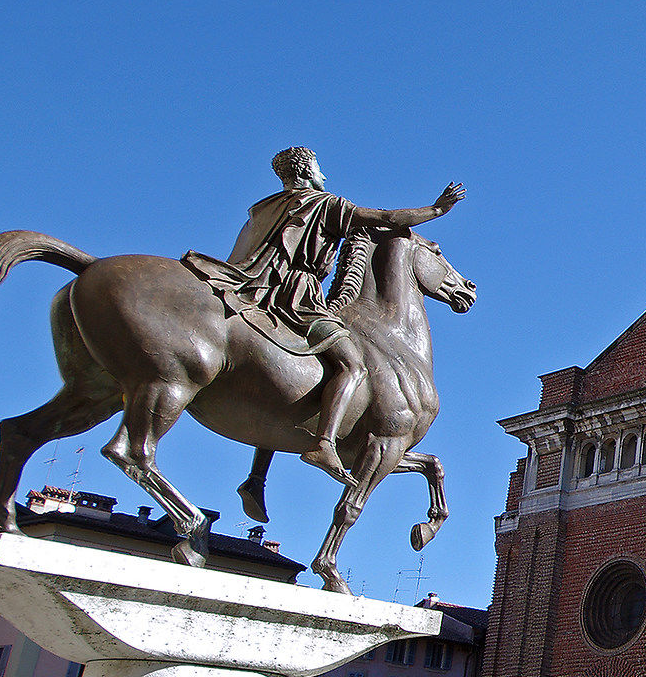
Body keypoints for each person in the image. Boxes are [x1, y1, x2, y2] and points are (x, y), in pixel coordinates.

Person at [181, 148, 462, 483]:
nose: (323, 176)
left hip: (260, 291)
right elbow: (386, 218)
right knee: (352, 364)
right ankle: (324, 443)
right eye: (318, 169)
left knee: (284, 376)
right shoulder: (322, 202)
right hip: (297, 299)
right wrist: (436, 209)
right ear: (305, 172)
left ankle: (256, 478)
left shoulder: (264, 208)